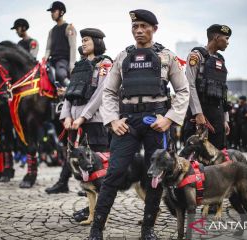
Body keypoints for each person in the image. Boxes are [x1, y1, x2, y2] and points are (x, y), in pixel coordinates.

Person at [88, 10, 189, 240]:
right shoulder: (123, 57)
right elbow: (109, 92)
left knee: (155, 176)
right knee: (113, 173)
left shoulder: (167, 56)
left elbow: (183, 91)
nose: (139, 30)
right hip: (127, 123)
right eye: (135, 26)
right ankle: (96, 229)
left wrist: (170, 118)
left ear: (154, 28)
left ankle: (148, 229)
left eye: (144, 26)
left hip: (157, 122)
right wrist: (113, 120)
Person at [45, 28, 112, 194]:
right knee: (73, 156)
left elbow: (100, 94)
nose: (83, 42)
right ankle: (66, 184)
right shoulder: (78, 66)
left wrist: (82, 117)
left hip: (94, 122)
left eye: (87, 40)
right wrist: (66, 116)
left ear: (97, 42)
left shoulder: (104, 64)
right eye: (82, 40)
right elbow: (70, 93)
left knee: (98, 163)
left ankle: (97, 205)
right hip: (74, 123)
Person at [183, 24, 232, 150]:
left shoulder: (220, 60)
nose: (227, 42)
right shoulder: (196, 55)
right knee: (195, 153)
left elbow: (223, 91)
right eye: (226, 38)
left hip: (217, 113)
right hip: (200, 111)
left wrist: (225, 118)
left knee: (218, 154)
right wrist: (198, 113)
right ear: (216, 37)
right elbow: (190, 85)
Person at [44, 1, 77, 87]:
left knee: (60, 74)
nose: (52, 14)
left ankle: (70, 88)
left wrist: (72, 65)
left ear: (61, 12)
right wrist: (44, 60)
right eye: (51, 12)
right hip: (52, 61)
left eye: (54, 11)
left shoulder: (69, 28)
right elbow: (48, 49)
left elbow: (73, 47)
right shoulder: (51, 31)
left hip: (64, 61)